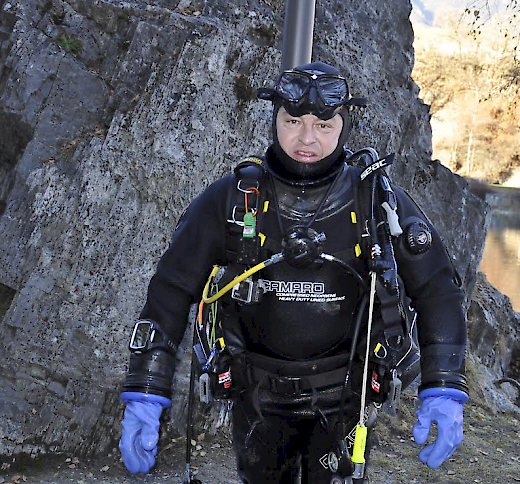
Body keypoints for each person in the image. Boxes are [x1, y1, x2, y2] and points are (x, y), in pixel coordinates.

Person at [119, 61, 469, 483]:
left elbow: (437, 289)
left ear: (344, 127)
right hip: (257, 396)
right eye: (293, 121)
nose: (307, 139)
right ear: (274, 120)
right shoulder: (232, 199)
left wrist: (444, 385)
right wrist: (146, 389)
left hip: (346, 399)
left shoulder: (375, 202)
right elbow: (171, 290)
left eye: (324, 125)